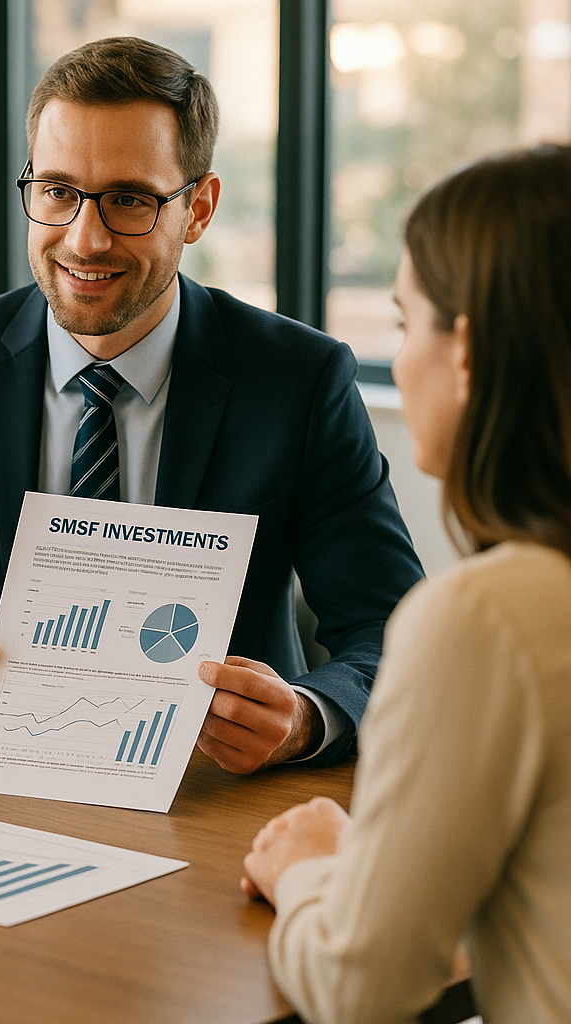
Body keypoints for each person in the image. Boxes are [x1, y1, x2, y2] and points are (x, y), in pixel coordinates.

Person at [0, 36, 423, 773]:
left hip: (216, 790)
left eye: (129, 199)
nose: (85, 239)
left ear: (199, 208)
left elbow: (392, 629)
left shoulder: (299, 379)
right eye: (58, 191)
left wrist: (306, 718)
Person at [241, 143, 571, 1023]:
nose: (394, 357)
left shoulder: (485, 620)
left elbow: (361, 989)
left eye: (402, 322)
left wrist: (312, 863)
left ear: (465, 351)